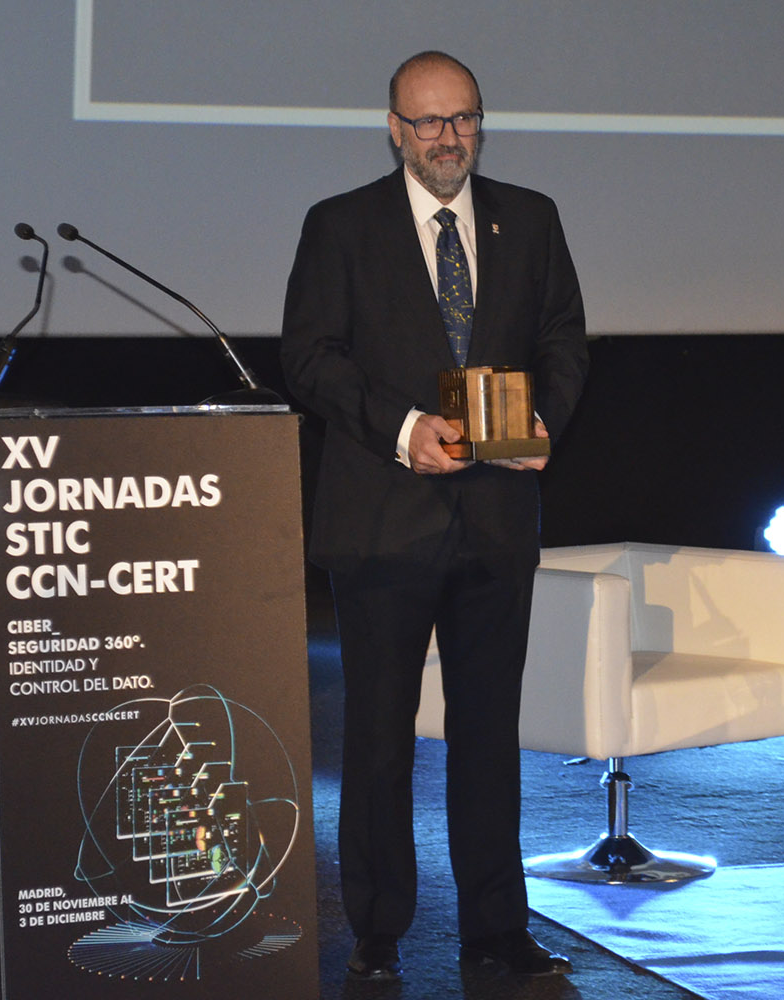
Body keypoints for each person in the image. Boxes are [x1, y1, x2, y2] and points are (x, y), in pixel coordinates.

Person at [280, 50, 589, 980]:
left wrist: (545, 420)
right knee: (378, 738)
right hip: (383, 519)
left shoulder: (529, 217)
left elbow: (564, 337)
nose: (447, 138)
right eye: (427, 122)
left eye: (463, 119)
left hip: (497, 518)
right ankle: (377, 935)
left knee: (489, 735)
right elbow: (310, 358)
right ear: (392, 128)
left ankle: (496, 927)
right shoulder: (339, 226)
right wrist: (405, 429)